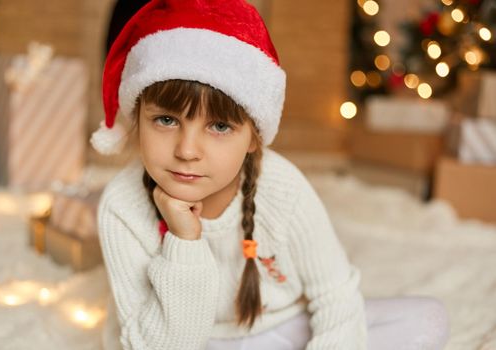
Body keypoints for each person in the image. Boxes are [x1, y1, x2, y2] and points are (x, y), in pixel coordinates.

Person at [91, 1, 451, 349]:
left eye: (218, 126)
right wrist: (184, 242)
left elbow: (335, 295)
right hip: (188, 340)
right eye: (166, 120)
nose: (187, 150)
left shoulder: (282, 187)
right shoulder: (122, 207)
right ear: (137, 120)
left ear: (254, 138)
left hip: (281, 330)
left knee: (426, 319)